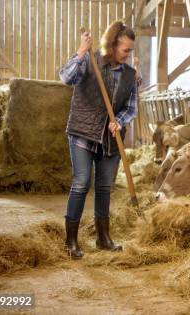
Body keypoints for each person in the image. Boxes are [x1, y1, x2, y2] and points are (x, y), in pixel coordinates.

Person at [59, 21, 137, 259]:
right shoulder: (90, 61)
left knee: (104, 187)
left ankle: (103, 238)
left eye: (130, 50)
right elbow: (66, 78)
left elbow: (131, 107)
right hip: (83, 132)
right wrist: (81, 51)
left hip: (111, 139)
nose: (128, 54)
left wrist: (120, 121)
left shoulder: (130, 75)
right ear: (112, 46)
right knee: (81, 183)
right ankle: (71, 241)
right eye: (125, 49)